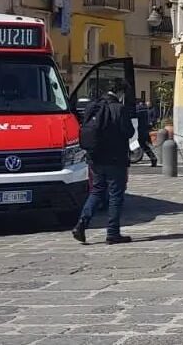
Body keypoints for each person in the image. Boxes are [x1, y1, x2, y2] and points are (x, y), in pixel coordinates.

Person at [72, 84, 135, 245]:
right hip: (116, 159)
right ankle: (113, 233)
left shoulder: (92, 107)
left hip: (95, 158)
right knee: (115, 195)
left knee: (96, 191)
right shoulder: (119, 109)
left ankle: (81, 224)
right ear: (119, 93)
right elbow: (129, 132)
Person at [134, 98, 157, 168]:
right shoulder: (145, 110)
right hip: (144, 130)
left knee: (142, 144)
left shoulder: (138, 109)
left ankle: (153, 158)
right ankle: (153, 158)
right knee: (143, 145)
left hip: (140, 130)